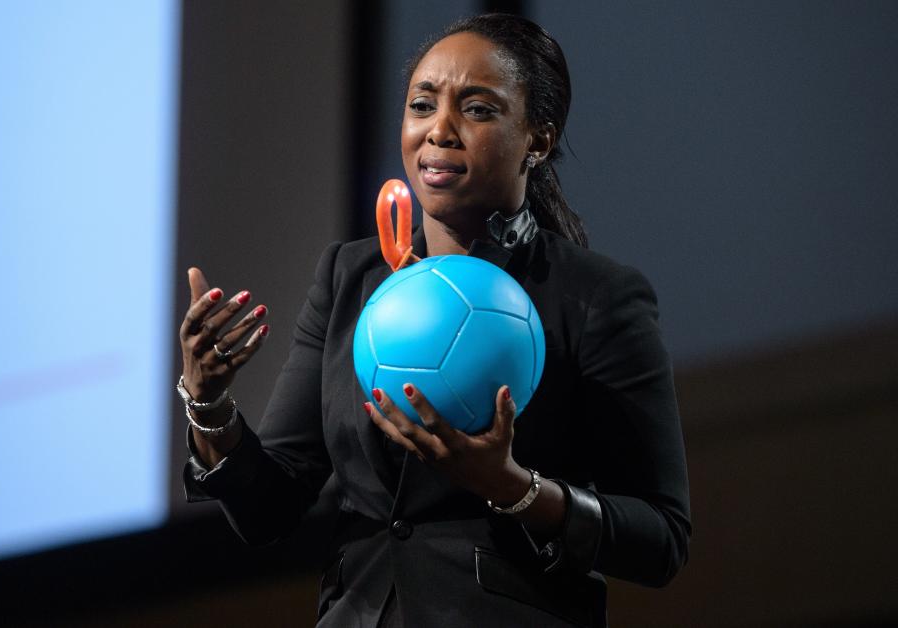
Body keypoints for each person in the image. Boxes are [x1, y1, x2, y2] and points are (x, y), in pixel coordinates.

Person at [178, 13, 691, 628]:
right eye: (422, 105)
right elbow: (269, 511)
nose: (438, 131)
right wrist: (209, 405)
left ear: (539, 139)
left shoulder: (593, 295)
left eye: (476, 110)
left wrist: (514, 487)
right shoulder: (349, 278)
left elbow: (661, 539)